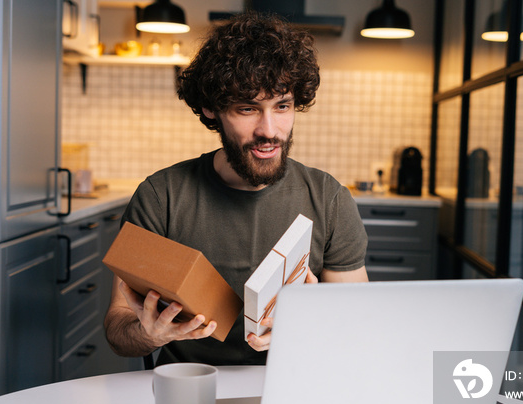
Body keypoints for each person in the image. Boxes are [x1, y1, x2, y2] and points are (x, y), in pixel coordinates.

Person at [104, 11, 368, 367]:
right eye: (248, 109)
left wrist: (316, 324)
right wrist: (149, 334)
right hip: (190, 383)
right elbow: (118, 329)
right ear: (211, 109)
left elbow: (358, 329)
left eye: (283, 106)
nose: (270, 130)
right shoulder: (160, 197)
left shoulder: (329, 198)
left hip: (292, 381)